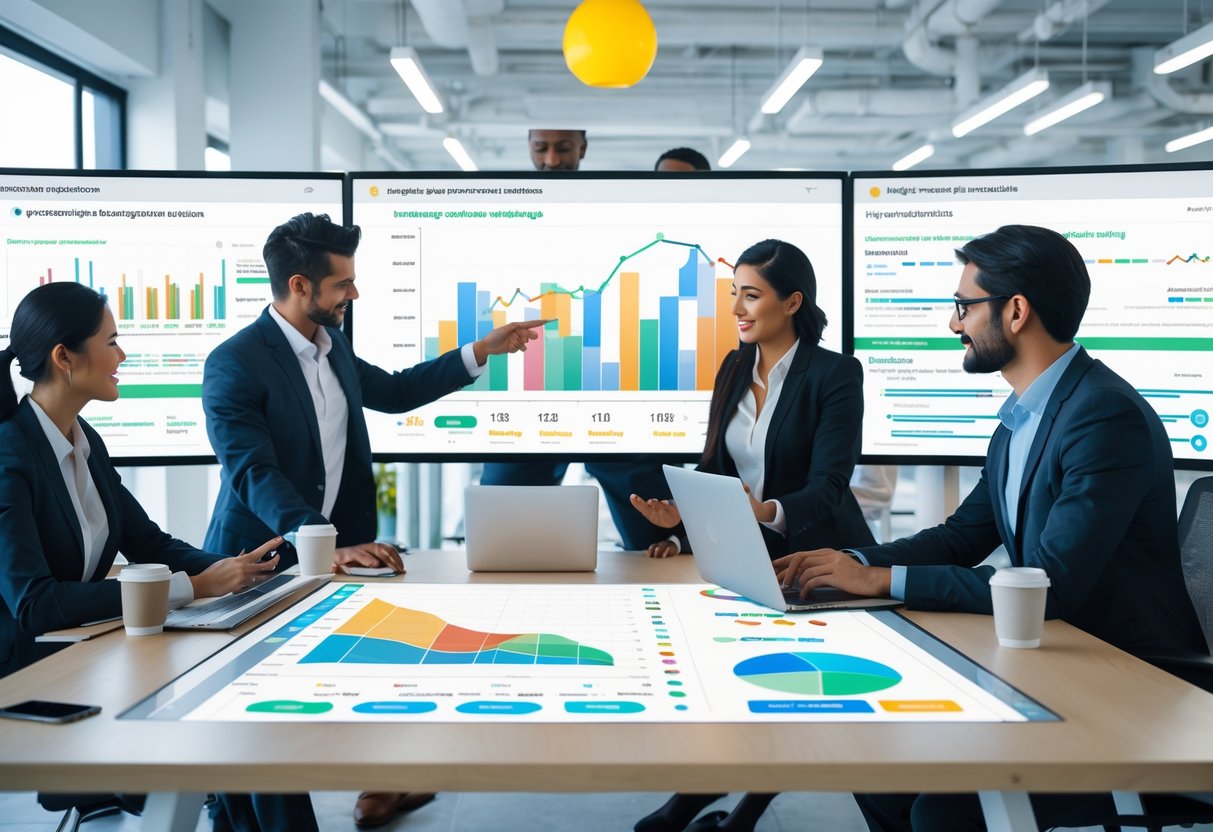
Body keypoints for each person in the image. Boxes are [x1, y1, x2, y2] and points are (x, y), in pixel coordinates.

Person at [772, 225, 1208, 832]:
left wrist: (880, 581)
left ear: (1016, 311)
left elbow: (1050, 585)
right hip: (1054, 665)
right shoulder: (1023, 417)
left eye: (964, 306)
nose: (954, 323)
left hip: (1124, 691)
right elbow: (961, 536)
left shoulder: (1105, 416)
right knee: (878, 764)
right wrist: (852, 563)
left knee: (940, 811)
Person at [202, 212, 543, 830]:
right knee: (261, 727)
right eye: (343, 283)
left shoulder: (332, 348)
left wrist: (480, 351)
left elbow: (396, 391)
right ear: (300, 285)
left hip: (336, 559)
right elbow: (253, 472)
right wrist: (323, 542)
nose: (354, 294)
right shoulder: (235, 362)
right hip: (262, 560)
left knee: (302, 711)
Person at [0, 283, 282, 825]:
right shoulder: (9, 453)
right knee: (214, 731)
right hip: (29, 682)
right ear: (64, 357)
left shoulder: (83, 440)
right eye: (111, 342)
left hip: (82, 657)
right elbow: (34, 606)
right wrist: (190, 588)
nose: (122, 355)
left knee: (238, 709)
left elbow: (147, 542)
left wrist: (235, 571)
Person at [629, 240, 874, 832]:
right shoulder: (735, 366)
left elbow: (831, 485)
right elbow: (716, 470)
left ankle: (743, 809)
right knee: (729, 677)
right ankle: (706, 790)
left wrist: (765, 509)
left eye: (752, 295)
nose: (737, 308)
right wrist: (681, 526)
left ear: (792, 302)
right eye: (734, 293)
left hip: (816, 557)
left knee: (791, 687)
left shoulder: (835, 373)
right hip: (746, 556)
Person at [479, 130, 677, 552]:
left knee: (660, 545)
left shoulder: (619, 210)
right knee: (498, 543)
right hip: (531, 406)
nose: (551, 160)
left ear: (582, 146)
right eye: (540, 148)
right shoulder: (507, 215)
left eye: (564, 147)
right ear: (528, 145)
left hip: (615, 403)